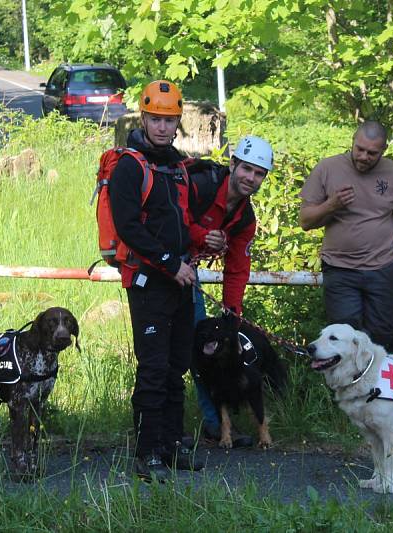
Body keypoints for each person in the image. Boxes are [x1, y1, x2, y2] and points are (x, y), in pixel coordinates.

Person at [109, 79, 202, 481]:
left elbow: (184, 223)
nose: (163, 127)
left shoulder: (177, 166)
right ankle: (147, 454)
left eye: (169, 120)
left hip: (179, 278)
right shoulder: (130, 166)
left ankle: (173, 445)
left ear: (178, 121)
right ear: (143, 118)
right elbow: (128, 227)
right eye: (155, 119)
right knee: (153, 367)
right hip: (149, 281)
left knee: (176, 366)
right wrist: (170, 263)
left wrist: (198, 248)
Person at [299, 120, 393, 350]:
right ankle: (344, 385)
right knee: (342, 339)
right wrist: (331, 205)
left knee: (382, 338)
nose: (364, 156)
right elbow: (305, 221)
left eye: (372, 153)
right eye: (359, 149)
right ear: (352, 142)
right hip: (340, 268)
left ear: (383, 150)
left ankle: (380, 386)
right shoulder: (327, 168)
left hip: (384, 268)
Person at [187, 135, 274, 447]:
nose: (251, 177)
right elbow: (168, 216)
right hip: (160, 264)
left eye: (259, 173)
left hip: (188, 272)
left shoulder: (245, 218)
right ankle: (160, 431)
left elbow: (237, 268)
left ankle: (213, 425)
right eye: (246, 169)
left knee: (199, 347)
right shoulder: (201, 185)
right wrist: (200, 236)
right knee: (177, 348)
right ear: (233, 164)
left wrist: (232, 313)